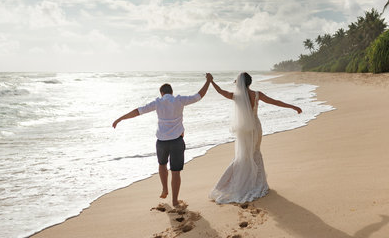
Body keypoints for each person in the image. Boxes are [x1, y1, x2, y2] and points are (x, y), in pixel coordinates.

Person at [112, 74, 212, 207]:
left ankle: (164, 188)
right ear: (172, 92)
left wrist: (120, 119)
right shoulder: (179, 100)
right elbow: (199, 96)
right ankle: (175, 200)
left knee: (162, 164)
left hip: (161, 142)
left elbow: (138, 111)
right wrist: (208, 81)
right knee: (175, 172)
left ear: (161, 93)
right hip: (177, 141)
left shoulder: (157, 102)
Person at [208, 72, 302, 204]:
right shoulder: (257, 94)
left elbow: (221, 92)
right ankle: (257, 184)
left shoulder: (235, 96)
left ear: (240, 83)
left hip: (243, 131)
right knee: (255, 153)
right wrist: (293, 106)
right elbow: (275, 102)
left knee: (242, 156)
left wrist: (211, 81)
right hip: (256, 128)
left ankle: (237, 185)